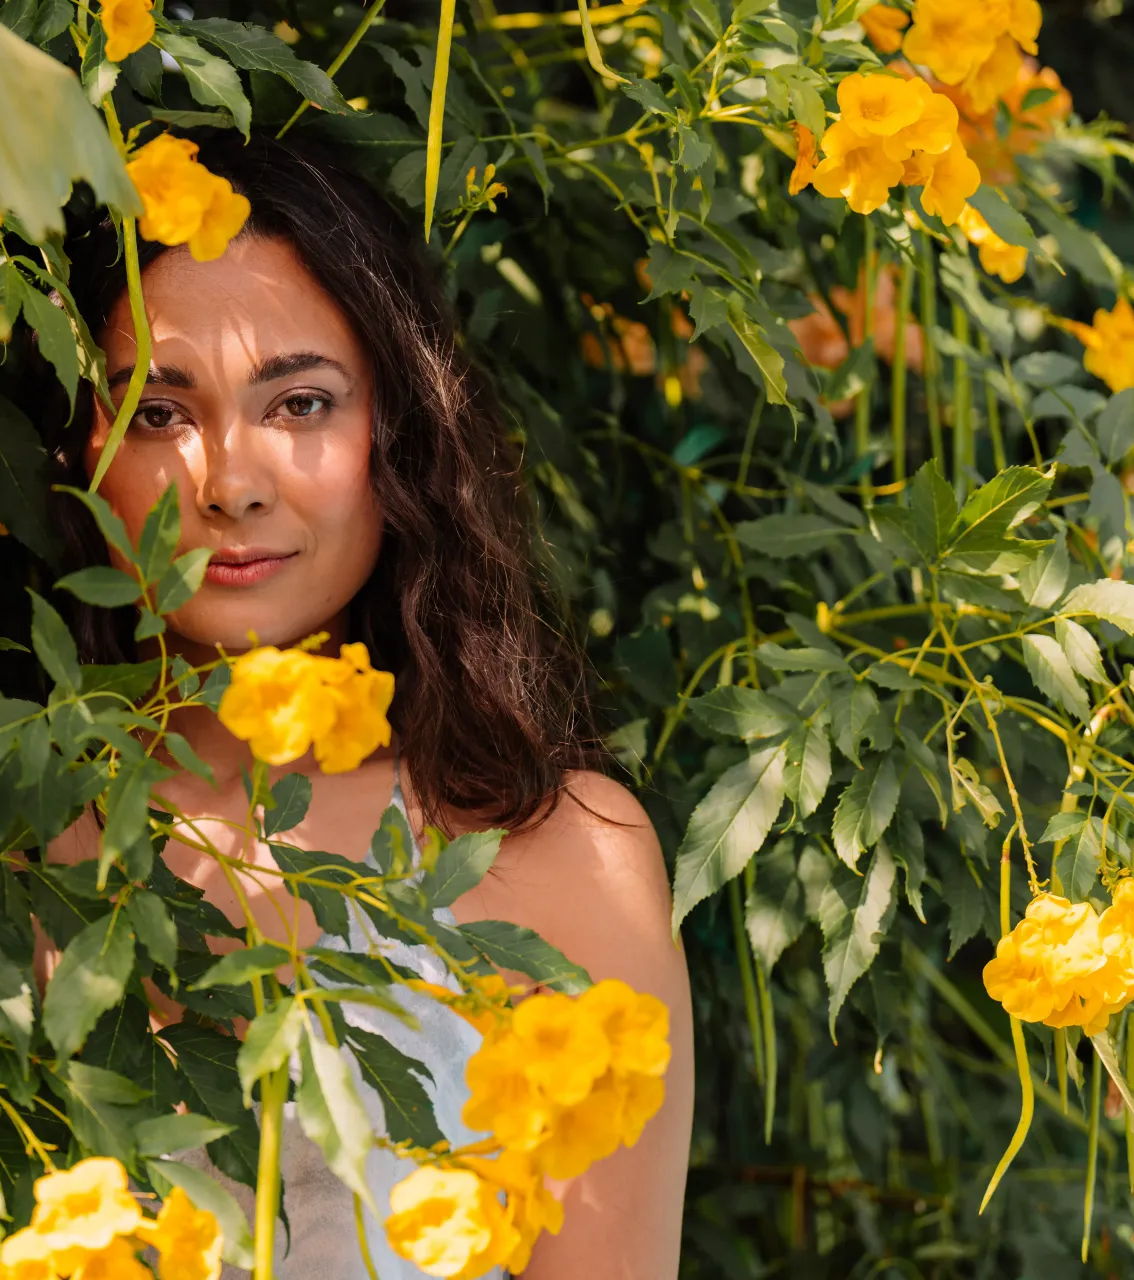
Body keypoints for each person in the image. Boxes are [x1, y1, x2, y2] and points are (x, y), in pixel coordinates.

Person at [45, 135, 692, 1279]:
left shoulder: (561, 857)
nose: (230, 480)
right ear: (79, 442)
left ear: (396, 430)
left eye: (300, 401)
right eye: (157, 410)